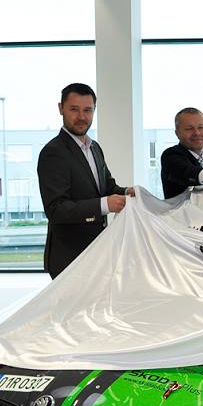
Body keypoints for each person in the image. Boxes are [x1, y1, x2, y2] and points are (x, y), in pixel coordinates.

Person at [37, 82, 134, 279]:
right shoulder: (53, 152)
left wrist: (127, 192)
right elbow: (56, 209)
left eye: (88, 110)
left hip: (98, 254)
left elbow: (107, 187)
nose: (82, 117)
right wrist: (105, 205)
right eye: (74, 109)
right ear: (60, 108)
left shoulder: (94, 148)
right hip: (70, 259)